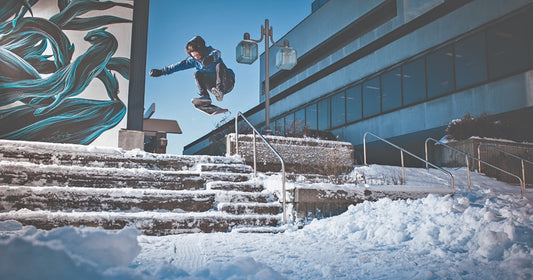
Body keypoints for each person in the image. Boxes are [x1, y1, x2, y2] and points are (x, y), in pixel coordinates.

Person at [149, 36, 235, 106]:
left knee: (219, 65)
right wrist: (162, 71)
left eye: (198, 55)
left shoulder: (210, 52)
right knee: (197, 74)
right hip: (212, 87)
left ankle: (220, 90)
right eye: (194, 56)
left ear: (202, 50)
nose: (197, 57)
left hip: (226, 83)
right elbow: (179, 65)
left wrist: (211, 58)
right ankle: (205, 97)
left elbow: (217, 53)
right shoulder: (193, 61)